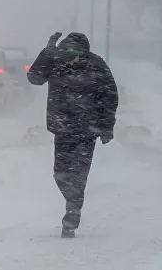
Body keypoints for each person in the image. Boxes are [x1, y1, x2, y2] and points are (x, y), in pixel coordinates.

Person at [27, 32, 118, 238]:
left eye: (74, 57)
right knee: (60, 172)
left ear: (83, 53)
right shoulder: (56, 60)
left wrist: (107, 126)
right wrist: (47, 53)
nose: (70, 62)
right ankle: (72, 201)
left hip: (88, 129)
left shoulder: (96, 65)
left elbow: (110, 96)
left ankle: (72, 212)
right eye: (67, 58)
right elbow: (34, 78)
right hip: (63, 127)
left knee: (78, 173)